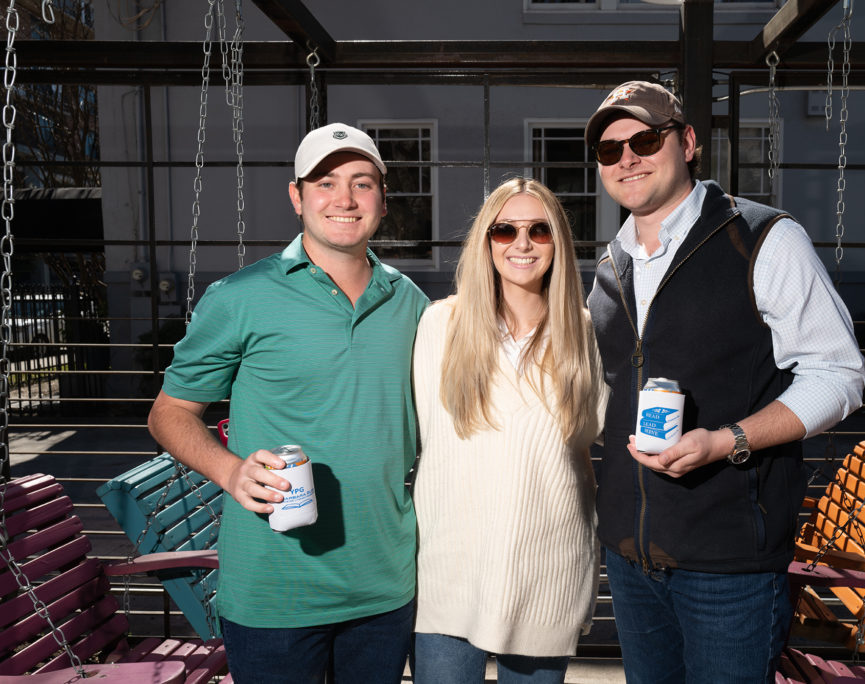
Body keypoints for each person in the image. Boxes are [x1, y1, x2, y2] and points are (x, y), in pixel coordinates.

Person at [584, 81, 865, 683]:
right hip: (630, 558)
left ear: (687, 142)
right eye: (610, 150)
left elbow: (837, 374)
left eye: (644, 139)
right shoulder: (611, 265)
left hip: (729, 565)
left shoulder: (762, 238)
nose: (626, 157)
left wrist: (727, 441)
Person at [147, 122, 429, 684]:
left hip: (384, 585)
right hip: (274, 592)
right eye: (325, 182)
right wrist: (230, 471)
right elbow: (168, 413)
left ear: (382, 200)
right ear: (298, 196)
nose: (345, 199)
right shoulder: (240, 298)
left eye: (362, 183)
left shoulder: (411, 302)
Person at [411, 177, 607, 683]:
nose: (522, 244)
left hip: (548, 572)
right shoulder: (441, 326)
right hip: (450, 573)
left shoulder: (584, 333)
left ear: (558, 243)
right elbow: (428, 442)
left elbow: (592, 439)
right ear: (486, 241)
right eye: (505, 230)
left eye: (539, 230)